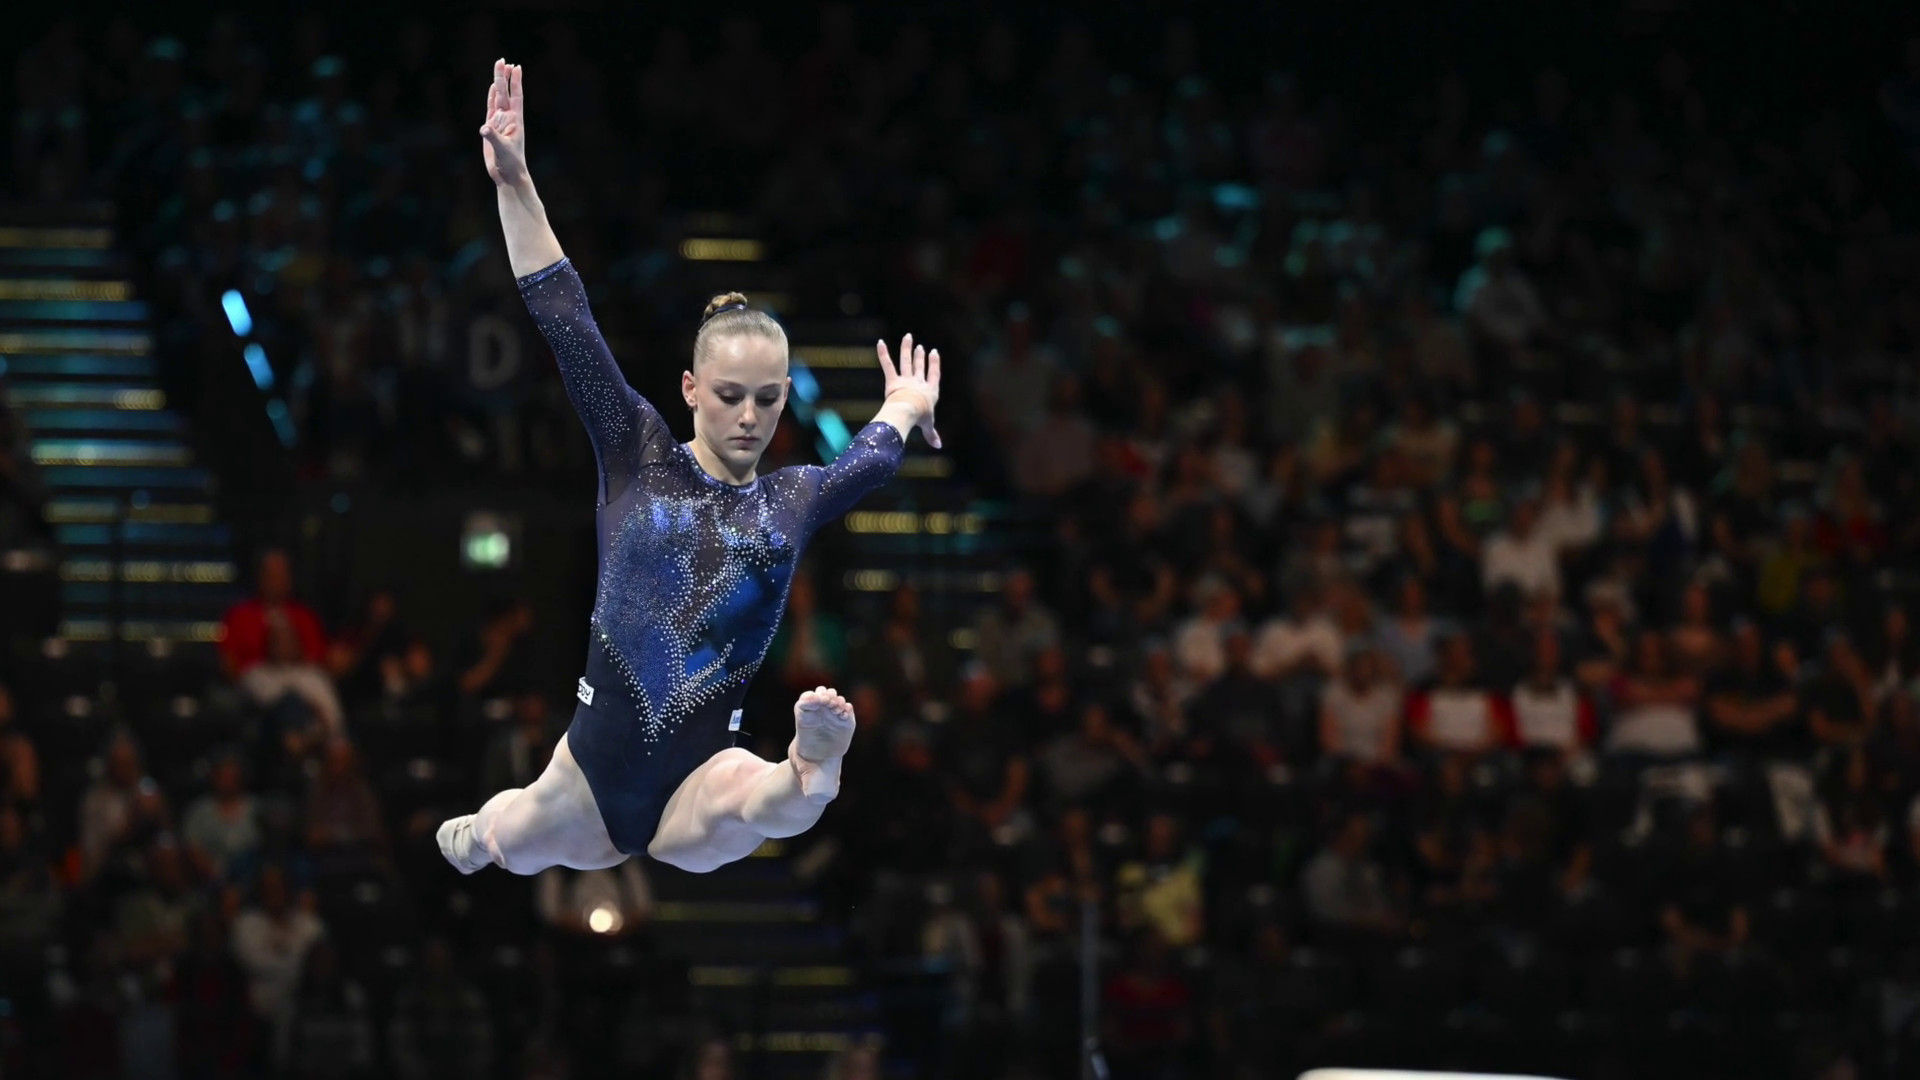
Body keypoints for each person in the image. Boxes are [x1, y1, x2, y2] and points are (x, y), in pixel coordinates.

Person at [439, 61, 941, 877]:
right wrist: (515, 183)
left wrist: (907, 405)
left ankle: (813, 767)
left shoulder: (792, 499)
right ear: (690, 389)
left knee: (759, 797)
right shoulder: (637, 454)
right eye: (731, 396)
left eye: (770, 399)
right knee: (507, 842)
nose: (750, 418)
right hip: (590, 781)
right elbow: (564, 313)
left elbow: (872, 456)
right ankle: (479, 833)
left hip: (698, 782)